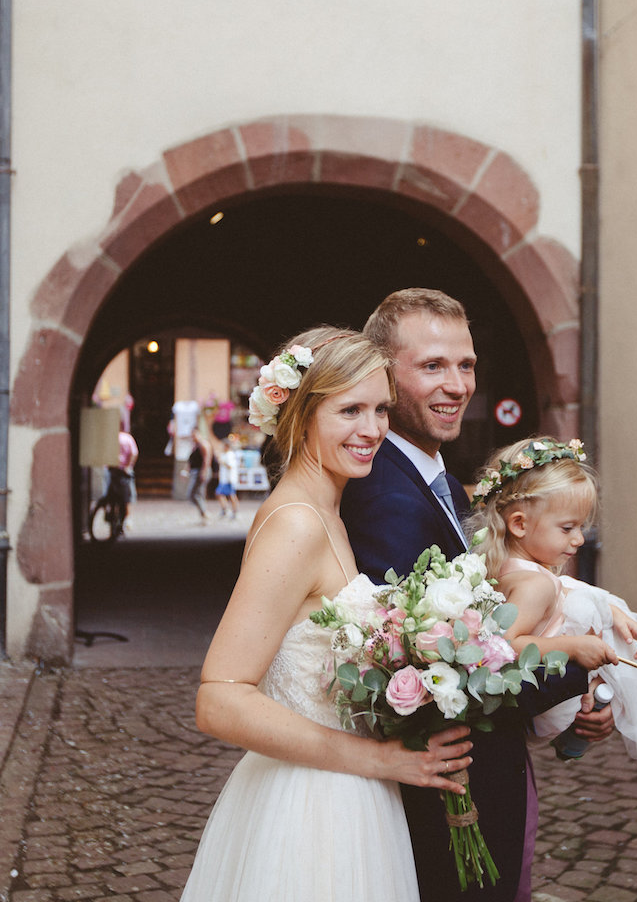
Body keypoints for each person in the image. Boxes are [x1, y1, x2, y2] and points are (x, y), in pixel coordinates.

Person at [339, 288, 616, 902]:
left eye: (465, 365)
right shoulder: (387, 498)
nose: (457, 384)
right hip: (448, 792)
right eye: (432, 366)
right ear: (384, 375)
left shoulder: (438, 481)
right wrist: (574, 673)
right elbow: (446, 672)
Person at [182, 328, 473, 901]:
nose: (372, 431)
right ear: (302, 414)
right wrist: (381, 758)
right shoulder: (296, 523)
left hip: (352, 795)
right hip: (312, 807)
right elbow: (220, 697)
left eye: (381, 408)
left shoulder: (327, 512)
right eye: (350, 410)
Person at [465, 436, 637, 767]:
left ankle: (632, 701)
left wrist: (610, 611)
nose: (579, 539)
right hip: (552, 707)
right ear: (519, 524)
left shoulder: (509, 568)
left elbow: (563, 592)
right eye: (567, 528)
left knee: (589, 606)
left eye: (581, 527)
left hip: (546, 701)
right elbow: (505, 646)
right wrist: (574, 647)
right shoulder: (535, 584)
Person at [187, 428, 213, 524]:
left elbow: (207, 459)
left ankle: (205, 514)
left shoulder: (203, 444)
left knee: (196, 494)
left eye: (194, 435)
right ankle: (204, 514)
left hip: (201, 471)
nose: (193, 437)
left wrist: (204, 471)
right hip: (196, 471)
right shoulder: (196, 445)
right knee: (197, 494)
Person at [213, 434, 241, 520]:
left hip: (229, 479)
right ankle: (225, 509)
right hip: (224, 479)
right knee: (221, 494)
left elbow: (230, 466)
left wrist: (222, 462)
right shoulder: (224, 454)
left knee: (231, 495)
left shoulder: (230, 455)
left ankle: (234, 511)